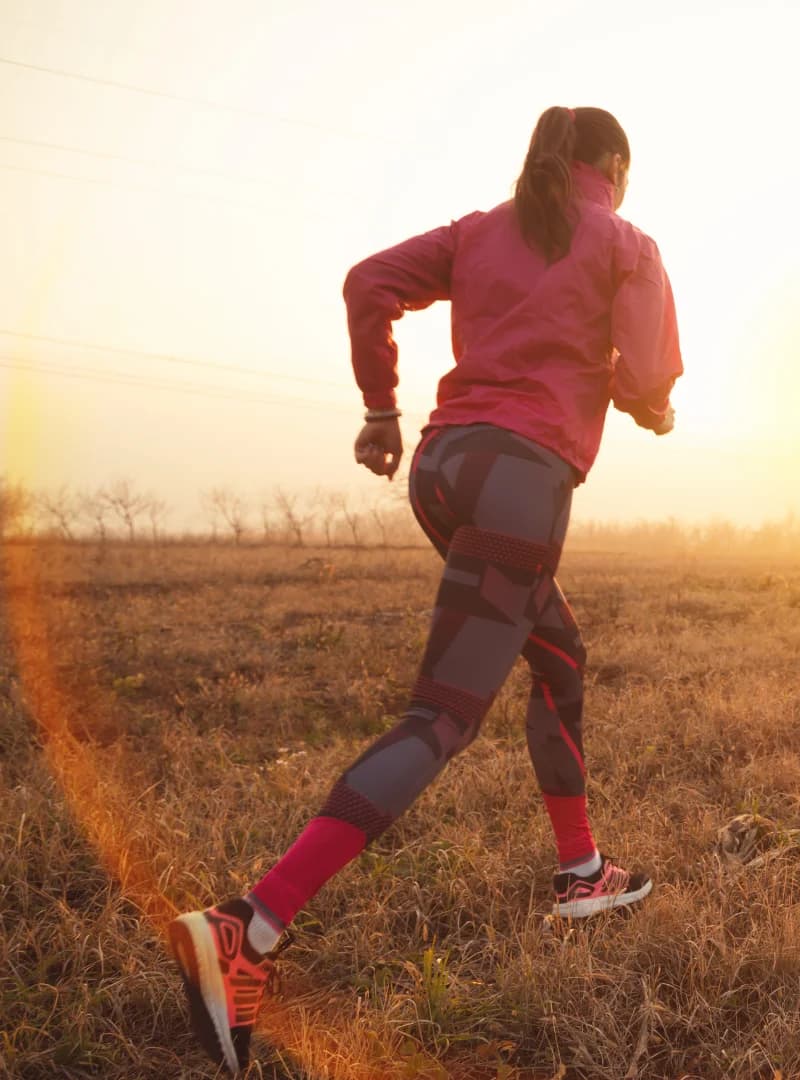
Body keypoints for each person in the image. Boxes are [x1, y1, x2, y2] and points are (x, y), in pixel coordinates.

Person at [166, 105, 681, 1074]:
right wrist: (644, 399)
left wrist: (378, 407)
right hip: (523, 483)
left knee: (559, 657)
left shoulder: (479, 231)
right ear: (610, 166)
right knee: (439, 720)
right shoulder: (625, 243)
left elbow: (368, 284)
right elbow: (652, 375)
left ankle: (581, 874)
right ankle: (249, 926)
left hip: (444, 470)